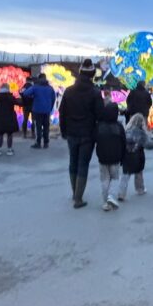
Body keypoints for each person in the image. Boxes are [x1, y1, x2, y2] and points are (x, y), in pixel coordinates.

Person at [59, 59, 105, 208]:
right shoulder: (95, 93)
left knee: (73, 161)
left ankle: (75, 194)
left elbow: (62, 113)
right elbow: (100, 115)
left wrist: (63, 130)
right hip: (88, 133)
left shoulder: (69, 91)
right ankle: (78, 198)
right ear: (92, 75)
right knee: (83, 164)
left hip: (71, 132)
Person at [95, 102, 126, 211]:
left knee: (104, 179)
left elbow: (95, 140)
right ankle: (111, 196)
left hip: (102, 157)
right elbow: (124, 142)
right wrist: (123, 157)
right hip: (116, 157)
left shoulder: (99, 126)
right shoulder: (119, 126)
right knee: (115, 178)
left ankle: (105, 202)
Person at [118, 112, 149, 201]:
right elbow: (148, 144)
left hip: (127, 156)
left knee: (125, 175)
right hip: (138, 156)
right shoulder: (142, 133)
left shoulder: (126, 131)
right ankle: (140, 189)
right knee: (139, 173)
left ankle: (121, 193)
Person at [26, 74, 56, 149]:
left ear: (39, 79)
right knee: (46, 127)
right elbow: (53, 98)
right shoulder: (50, 88)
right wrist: (50, 108)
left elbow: (26, 93)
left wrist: (32, 97)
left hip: (37, 110)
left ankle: (38, 143)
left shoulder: (35, 87)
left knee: (38, 127)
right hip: (47, 111)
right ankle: (46, 143)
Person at [0, 84, 21, 156]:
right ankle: (9, 150)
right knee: (9, 134)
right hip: (9, 117)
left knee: (0, 134)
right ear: (8, 89)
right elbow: (19, 103)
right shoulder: (10, 97)